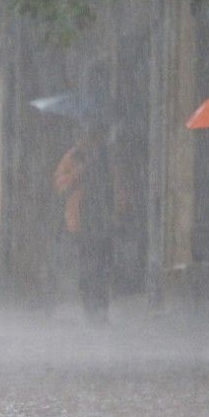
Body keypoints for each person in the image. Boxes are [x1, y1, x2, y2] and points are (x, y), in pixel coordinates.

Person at [55, 124, 121, 325]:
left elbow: (117, 185)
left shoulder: (107, 157)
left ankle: (101, 309)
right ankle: (90, 308)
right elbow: (60, 184)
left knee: (103, 267)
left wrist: (118, 211)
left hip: (104, 219)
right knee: (87, 268)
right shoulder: (73, 157)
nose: (92, 141)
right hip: (82, 221)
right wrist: (79, 172)